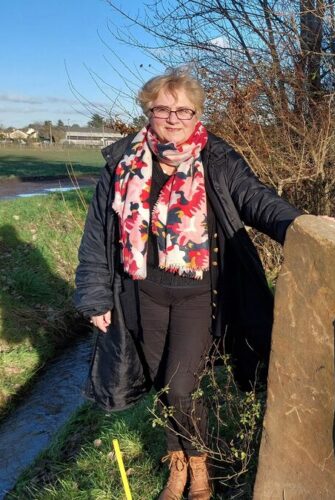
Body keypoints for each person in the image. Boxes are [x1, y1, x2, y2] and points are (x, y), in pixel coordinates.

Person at [74, 67, 301, 500]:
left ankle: (200, 470)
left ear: (198, 114)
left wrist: (297, 224)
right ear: (148, 111)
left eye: (184, 110)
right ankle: (179, 466)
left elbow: (255, 198)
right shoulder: (124, 162)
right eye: (163, 108)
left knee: (181, 385)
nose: (173, 118)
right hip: (142, 293)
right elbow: (97, 235)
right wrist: (94, 295)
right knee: (165, 383)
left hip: (201, 294)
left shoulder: (215, 157)